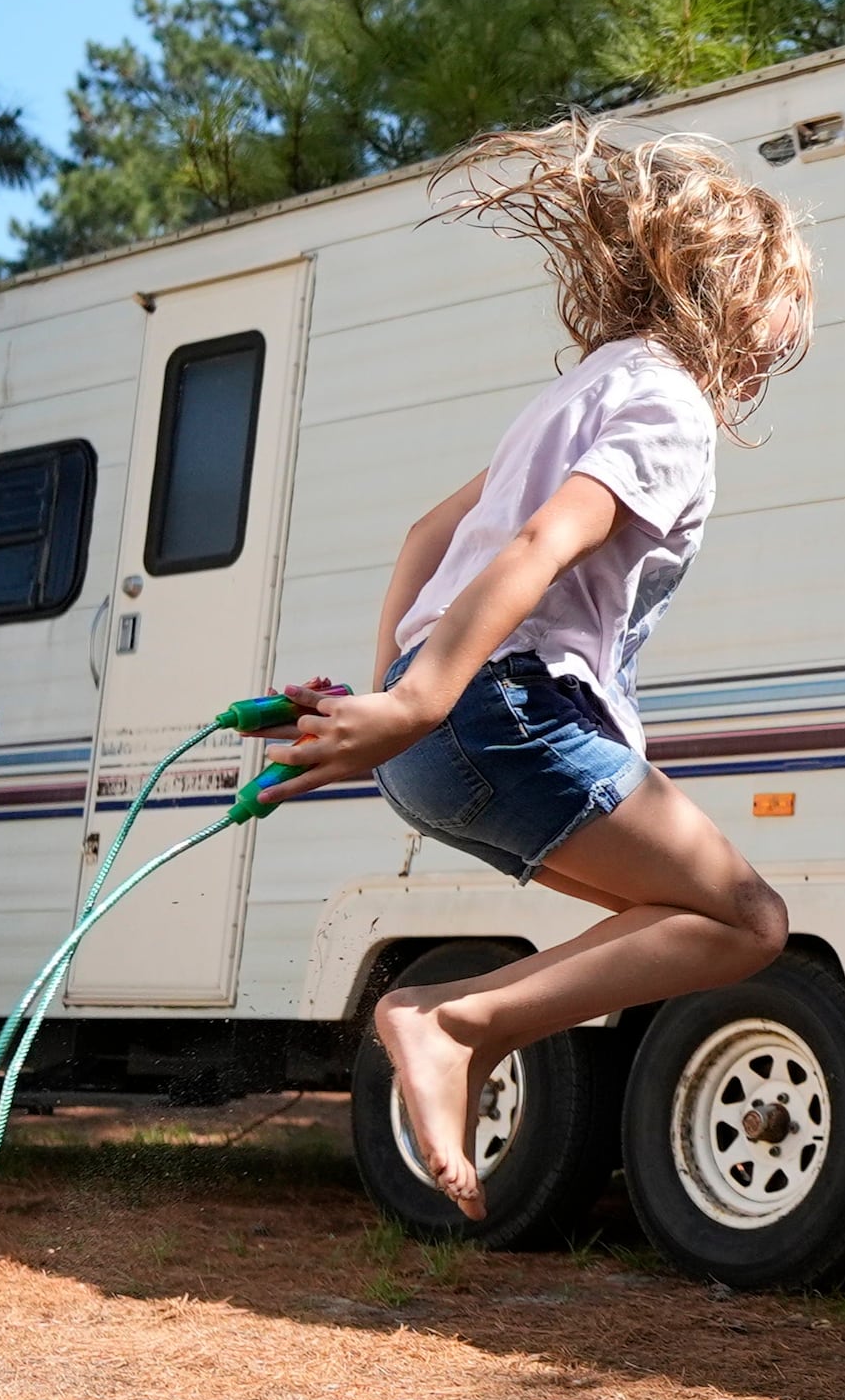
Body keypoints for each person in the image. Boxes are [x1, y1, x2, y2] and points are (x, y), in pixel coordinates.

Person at [256, 121, 814, 1218]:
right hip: (504, 712)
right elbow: (543, 544)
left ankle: (454, 1019)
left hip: (449, 736)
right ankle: (452, 1020)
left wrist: (395, 702)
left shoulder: (581, 390)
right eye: (787, 303)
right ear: (736, 292)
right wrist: (413, 703)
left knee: (674, 919)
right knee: (749, 920)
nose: (790, 333)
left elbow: (425, 535)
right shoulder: (672, 404)